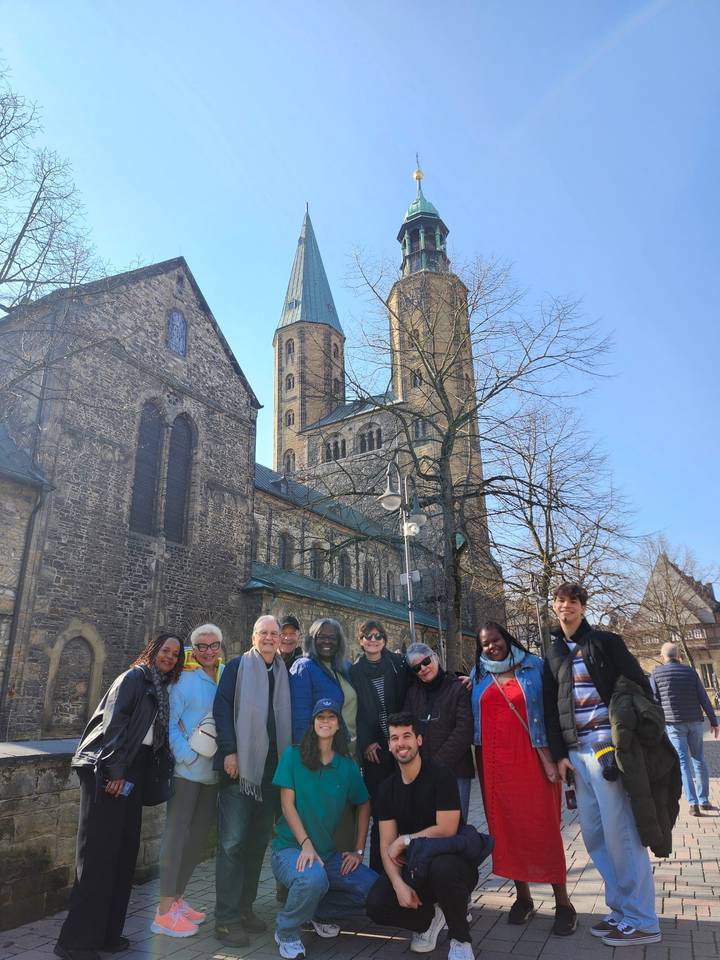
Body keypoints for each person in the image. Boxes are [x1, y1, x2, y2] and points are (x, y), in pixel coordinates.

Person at [543, 582, 661, 947]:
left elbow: (638, 685)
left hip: (605, 749)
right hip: (577, 755)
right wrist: (560, 754)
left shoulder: (605, 642)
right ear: (554, 605)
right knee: (595, 837)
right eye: (561, 601)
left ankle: (642, 919)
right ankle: (621, 910)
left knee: (621, 834)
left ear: (582, 607)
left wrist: (623, 737)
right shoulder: (553, 651)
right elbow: (551, 708)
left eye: (574, 601)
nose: (567, 607)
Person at [55, 632, 184, 960]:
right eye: (165, 651)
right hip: (108, 767)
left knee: (124, 855)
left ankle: (107, 934)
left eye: (175, 654)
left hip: (133, 770)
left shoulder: (159, 686)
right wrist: (115, 771)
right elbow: (114, 725)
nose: (169, 657)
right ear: (153, 651)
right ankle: (74, 943)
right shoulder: (134, 678)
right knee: (98, 857)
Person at [471, 622, 576, 935]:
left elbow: (554, 711)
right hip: (494, 766)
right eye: (486, 644)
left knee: (542, 830)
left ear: (507, 638)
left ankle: (563, 903)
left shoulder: (535, 666)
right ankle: (523, 898)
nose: (492, 647)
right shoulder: (478, 674)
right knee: (507, 830)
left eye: (496, 640)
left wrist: (560, 755)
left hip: (532, 760)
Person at [271, 698, 378, 959]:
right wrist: (306, 844)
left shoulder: (347, 767)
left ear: (339, 725)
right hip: (290, 849)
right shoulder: (293, 756)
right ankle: (287, 931)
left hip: (329, 855)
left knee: (375, 891)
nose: (326, 721)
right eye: (321, 716)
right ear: (313, 723)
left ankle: (315, 911)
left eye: (332, 717)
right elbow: (287, 805)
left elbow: (364, 804)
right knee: (313, 878)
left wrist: (358, 850)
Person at [366, 712, 477, 960]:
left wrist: (406, 840)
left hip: (451, 863)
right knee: (376, 904)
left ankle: (460, 939)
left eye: (407, 736)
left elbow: (447, 829)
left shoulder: (441, 775)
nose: (401, 743)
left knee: (443, 869)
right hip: (414, 868)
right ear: (389, 746)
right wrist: (398, 884)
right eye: (395, 738)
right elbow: (386, 844)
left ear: (419, 740)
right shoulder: (386, 789)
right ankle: (429, 918)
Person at [212, 615, 292, 946]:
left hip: (272, 774)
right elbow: (222, 709)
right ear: (254, 636)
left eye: (275, 633)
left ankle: (244, 909)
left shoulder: (284, 672)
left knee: (257, 843)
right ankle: (226, 919)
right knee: (232, 844)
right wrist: (230, 751)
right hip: (240, 771)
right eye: (265, 633)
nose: (271, 638)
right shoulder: (236, 668)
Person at [153, 624, 225, 936]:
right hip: (187, 773)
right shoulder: (184, 680)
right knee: (176, 838)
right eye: (202, 646)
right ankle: (164, 912)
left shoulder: (223, 676)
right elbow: (168, 723)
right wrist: (187, 756)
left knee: (196, 841)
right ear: (193, 649)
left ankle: (178, 899)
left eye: (214, 645)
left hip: (211, 775)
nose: (208, 651)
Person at [350, 620, 407, 872]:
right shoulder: (355, 671)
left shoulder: (397, 665)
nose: (373, 640)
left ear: (384, 639)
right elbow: (356, 712)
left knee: (405, 809)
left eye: (378, 636)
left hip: (401, 747)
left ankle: (406, 866)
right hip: (375, 753)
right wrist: (366, 742)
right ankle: (379, 872)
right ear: (360, 641)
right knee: (380, 813)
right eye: (367, 636)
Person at [403, 643, 474, 822]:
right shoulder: (412, 694)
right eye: (417, 667)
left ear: (435, 656)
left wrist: (437, 763)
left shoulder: (458, 687)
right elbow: (407, 727)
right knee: (430, 826)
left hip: (455, 771)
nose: (424, 668)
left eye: (426, 661)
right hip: (423, 772)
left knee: (456, 826)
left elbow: (463, 730)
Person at [650, 641, 719, 816]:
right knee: (699, 759)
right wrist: (714, 721)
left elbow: (654, 702)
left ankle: (693, 803)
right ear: (679, 656)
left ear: (662, 656)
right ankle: (704, 800)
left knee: (683, 762)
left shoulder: (656, 673)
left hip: (673, 724)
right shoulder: (690, 672)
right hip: (695, 722)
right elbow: (704, 698)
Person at [289, 618, 357, 748]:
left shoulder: (345, 667)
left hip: (352, 748)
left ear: (339, 642)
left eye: (332, 637)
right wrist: (304, 751)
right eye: (321, 636)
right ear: (312, 639)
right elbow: (300, 718)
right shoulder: (304, 668)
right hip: (324, 750)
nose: (327, 641)